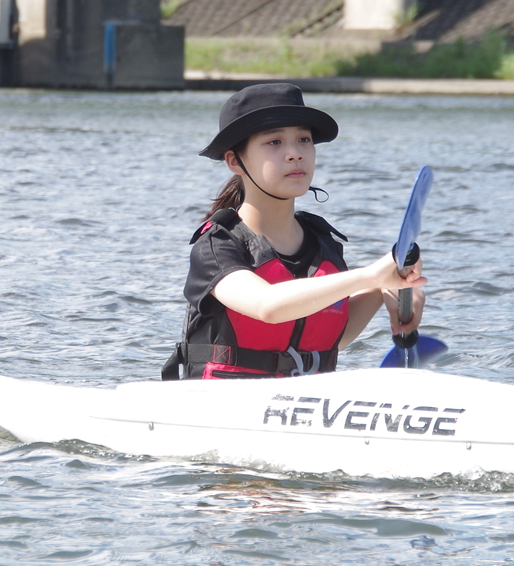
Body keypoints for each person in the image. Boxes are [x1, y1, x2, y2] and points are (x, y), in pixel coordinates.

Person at [163, 83, 427, 380]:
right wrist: (371, 275)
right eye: (274, 142)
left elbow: (333, 337)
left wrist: (387, 287)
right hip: (225, 405)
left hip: (300, 405)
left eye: (304, 139)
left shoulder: (323, 244)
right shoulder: (215, 247)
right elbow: (269, 306)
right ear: (235, 161)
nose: (295, 154)